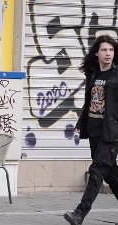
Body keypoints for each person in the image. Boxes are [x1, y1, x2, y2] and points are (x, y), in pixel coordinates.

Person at [64, 35, 118, 225]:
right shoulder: (93, 74)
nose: (108, 53)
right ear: (97, 53)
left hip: (110, 134)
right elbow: (89, 102)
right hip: (94, 131)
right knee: (112, 176)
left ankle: (80, 213)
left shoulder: (117, 75)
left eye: (111, 50)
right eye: (104, 50)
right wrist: (81, 122)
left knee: (96, 172)